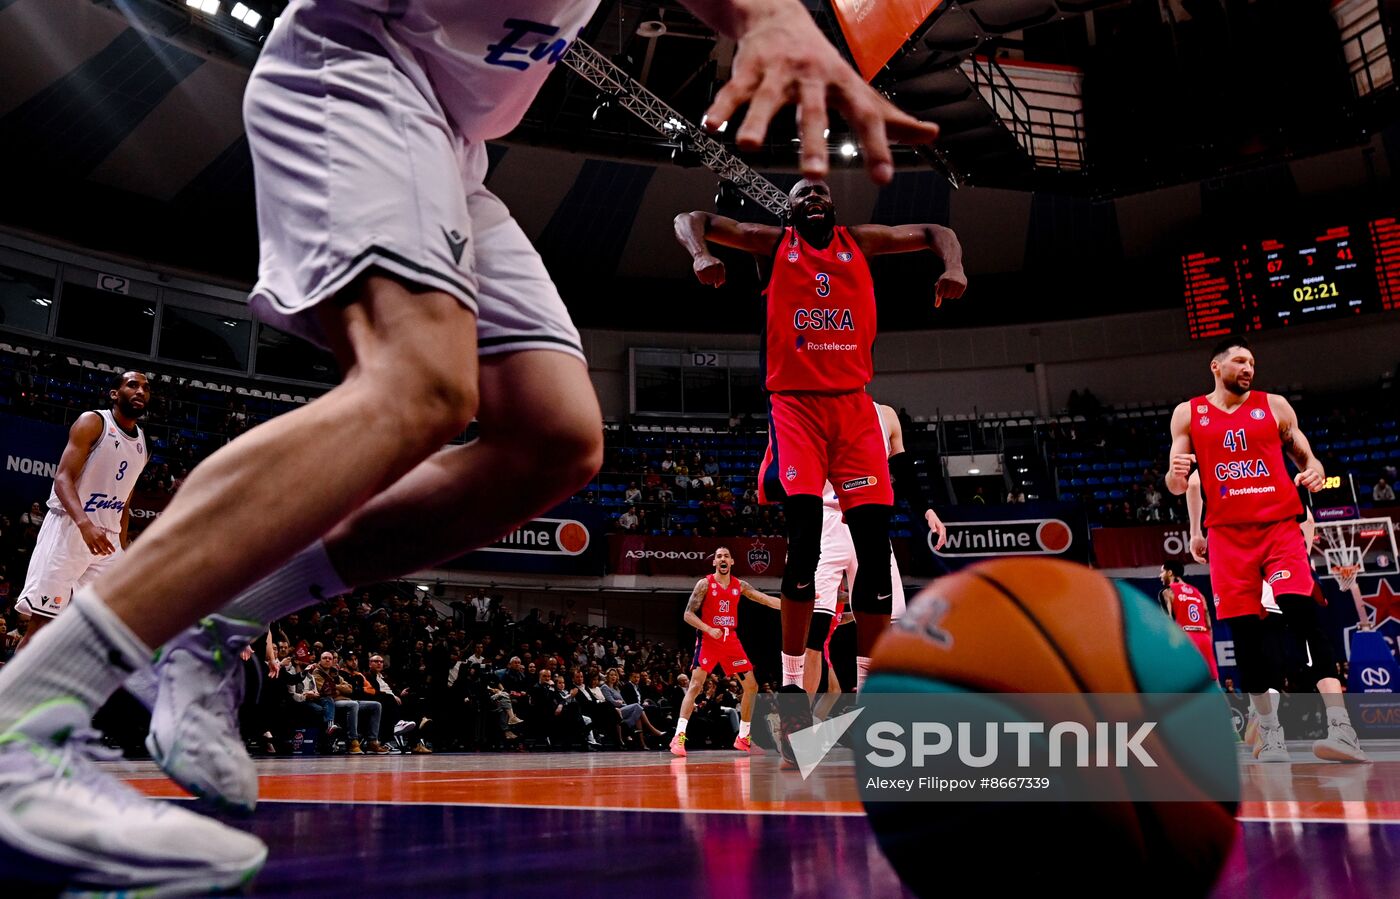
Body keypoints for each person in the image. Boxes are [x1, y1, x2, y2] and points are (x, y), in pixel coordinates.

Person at [0, 1, 942, 893]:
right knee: (420, 383)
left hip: (456, 146)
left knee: (555, 439)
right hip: (358, 67)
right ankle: (26, 722)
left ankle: (217, 628)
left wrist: (758, 17)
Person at [674, 181, 965, 711]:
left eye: (822, 190)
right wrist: (701, 254)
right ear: (789, 206)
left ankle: (871, 691)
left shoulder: (860, 241)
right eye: (802, 191)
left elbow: (935, 231)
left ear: (833, 204)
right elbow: (690, 216)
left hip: (853, 406)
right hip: (796, 406)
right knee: (804, 537)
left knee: (875, 552)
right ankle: (789, 689)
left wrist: (954, 267)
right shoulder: (772, 243)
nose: (813, 194)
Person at [1166, 336, 1364, 764]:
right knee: (1247, 638)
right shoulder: (1189, 413)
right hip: (1228, 537)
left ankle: (1342, 730)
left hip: (1279, 528)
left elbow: (1310, 460)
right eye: (1239, 361)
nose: (1248, 367)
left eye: (1252, 361)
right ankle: (1270, 734)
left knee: (1303, 613)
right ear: (1216, 367)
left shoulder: (1274, 406)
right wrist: (1175, 474)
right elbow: (1178, 483)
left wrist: (1314, 471)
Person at [804, 402, 946, 697]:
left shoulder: (886, 415)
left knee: (887, 627)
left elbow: (903, 469)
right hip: (827, 520)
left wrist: (926, 509)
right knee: (813, 634)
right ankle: (795, 723)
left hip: (869, 521)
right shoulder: (820, 411)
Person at [14, 372, 149, 649]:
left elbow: (125, 503)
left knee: (103, 630)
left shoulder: (143, 444)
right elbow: (62, 478)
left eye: (146, 388)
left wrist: (121, 551)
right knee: (41, 629)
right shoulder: (93, 422)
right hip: (71, 530)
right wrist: (84, 523)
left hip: (107, 542)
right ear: (114, 393)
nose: (141, 391)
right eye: (132, 385)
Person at [671, 547, 780, 756]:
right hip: (709, 640)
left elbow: (764, 599)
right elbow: (688, 614)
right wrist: (708, 629)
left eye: (726, 556)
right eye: (718, 556)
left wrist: (793, 606)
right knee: (695, 684)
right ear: (714, 563)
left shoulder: (740, 585)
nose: (722, 559)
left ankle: (743, 737)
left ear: (732, 562)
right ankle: (679, 736)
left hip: (731, 641)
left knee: (752, 687)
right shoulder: (704, 584)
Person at [1157, 560, 1218, 681]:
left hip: (1185, 638)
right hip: (1204, 639)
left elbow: (1168, 622)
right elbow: (1209, 623)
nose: (1160, 575)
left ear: (1169, 573)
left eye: (1162, 572)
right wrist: (1207, 641)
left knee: (1186, 682)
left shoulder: (1167, 592)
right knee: (1212, 682)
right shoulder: (1198, 593)